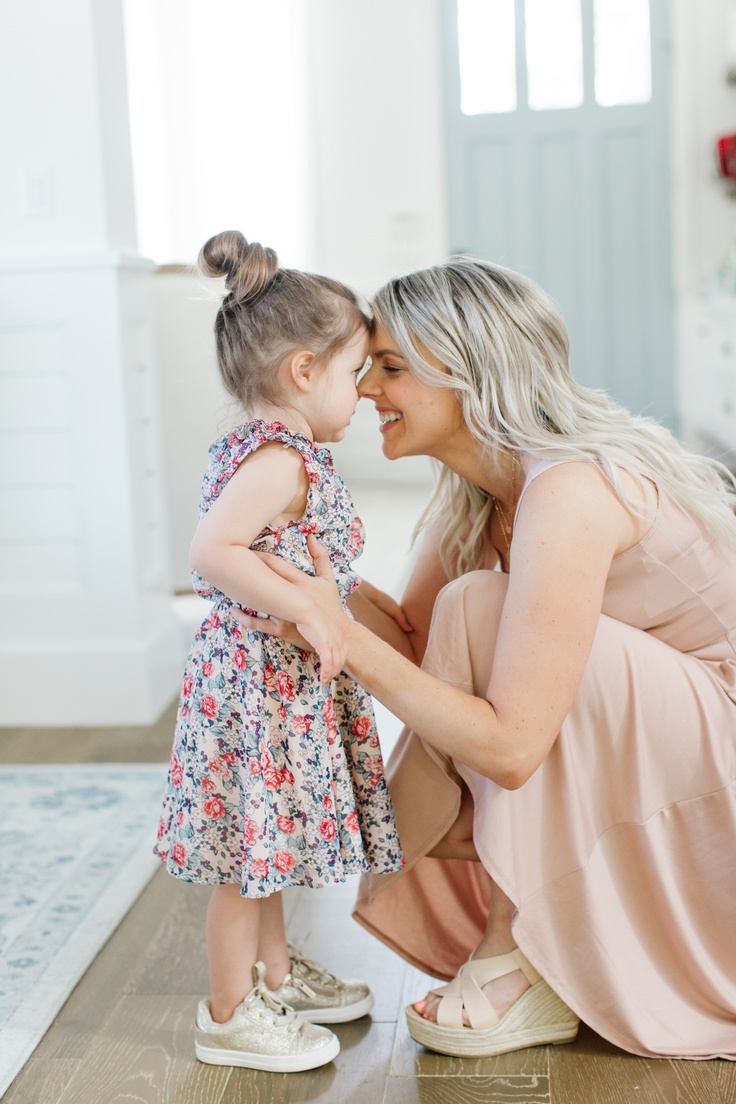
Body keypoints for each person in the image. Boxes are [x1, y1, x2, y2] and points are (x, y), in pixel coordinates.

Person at [234, 255, 736, 1062]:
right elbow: (417, 649)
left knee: (478, 607)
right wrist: (291, 560)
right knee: (468, 614)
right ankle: (507, 919)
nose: (365, 392)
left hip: (718, 760)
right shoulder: (477, 494)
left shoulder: (569, 487)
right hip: (646, 746)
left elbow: (508, 747)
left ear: (471, 376)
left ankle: (516, 949)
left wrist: (339, 636)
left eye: (390, 369)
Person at [154, 231, 407, 1073]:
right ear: (303, 372)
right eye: (354, 371)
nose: (363, 389)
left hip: (276, 687)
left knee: (269, 852)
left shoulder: (287, 455)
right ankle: (229, 1015)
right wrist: (308, 604)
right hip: (252, 690)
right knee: (246, 865)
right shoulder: (278, 461)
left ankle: (273, 975)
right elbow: (212, 552)